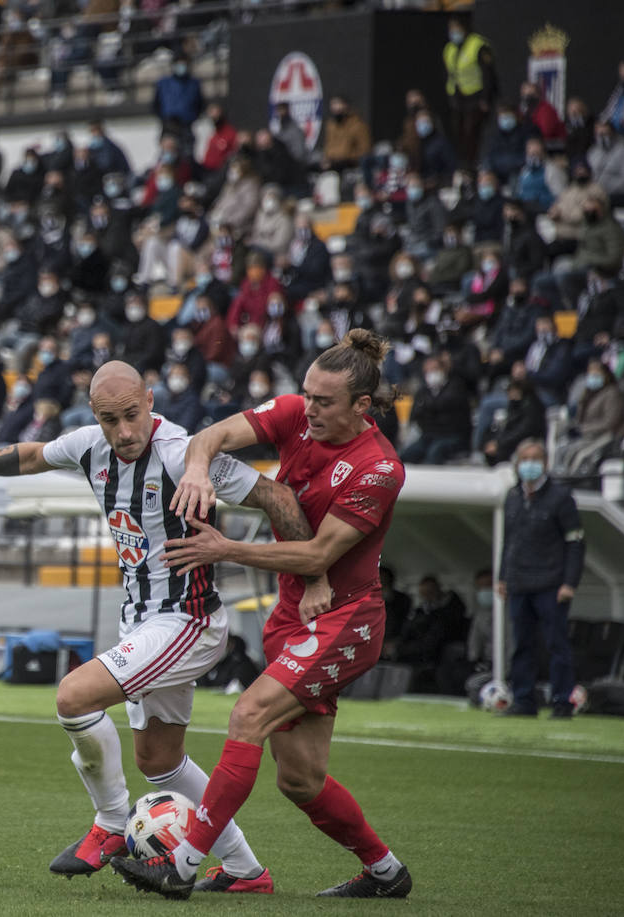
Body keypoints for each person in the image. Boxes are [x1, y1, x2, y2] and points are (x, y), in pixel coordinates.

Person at [0, 360, 326, 890]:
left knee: (74, 697)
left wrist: (313, 579)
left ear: (150, 400)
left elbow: (278, 497)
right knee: (160, 761)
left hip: (186, 620)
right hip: (141, 622)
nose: (123, 432)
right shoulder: (89, 445)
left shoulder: (180, 454)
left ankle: (111, 823)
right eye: (109, 419)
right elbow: (30, 454)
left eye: (130, 415)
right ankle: (245, 871)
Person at [112, 329, 412, 900]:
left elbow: (321, 553)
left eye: (324, 402)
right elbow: (214, 434)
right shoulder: (297, 413)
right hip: (296, 614)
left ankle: (181, 866)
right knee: (300, 779)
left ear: (362, 406)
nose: (310, 409)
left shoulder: (379, 469)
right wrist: (198, 467)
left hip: (346, 620)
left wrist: (225, 549)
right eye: (307, 395)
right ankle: (386, 872)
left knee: (246, 716)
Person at [497, 439, 584, 718]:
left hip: (551, 584)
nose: (529, 465)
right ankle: (523, 700)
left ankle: (562, 702)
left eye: (535, 459)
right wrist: (503, 577)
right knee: (522, 645)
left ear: (545, 463)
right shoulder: (512, 497)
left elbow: (575, 543)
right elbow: (508, 541)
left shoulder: (560, 497)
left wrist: (570, 582)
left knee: (556, 644)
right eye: (524, 459)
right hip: (520, 582)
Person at [443, 15, 497, 168]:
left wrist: (485, 99)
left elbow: (488, 74)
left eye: (456, 28)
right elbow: (450, 74)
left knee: (472, 133)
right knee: (459, 134)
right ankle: (463, 166)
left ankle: (474, 165)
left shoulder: (477, 45)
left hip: (476, 96)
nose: (454, 32)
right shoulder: (450, 49)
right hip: (458, 98)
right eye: (451, 28)